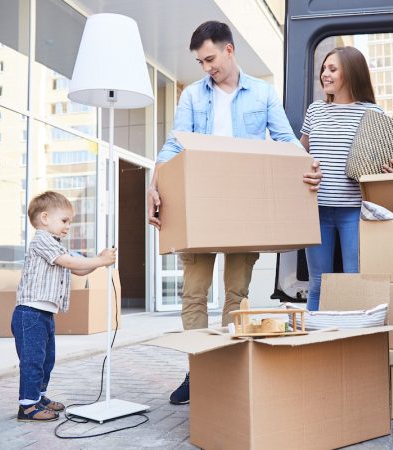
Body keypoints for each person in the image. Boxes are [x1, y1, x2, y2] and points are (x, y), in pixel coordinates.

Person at [146, 21, 321, 405]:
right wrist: (155, 183)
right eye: (199, 61)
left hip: (244, 203)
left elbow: (285, 140)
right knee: (193, 294)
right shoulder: (192, 95)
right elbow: (175, 144)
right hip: (199, 201)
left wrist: (306, 165)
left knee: (236, 293)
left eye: (210, 58)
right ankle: (198, 370)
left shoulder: (262, 92)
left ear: (229, 50)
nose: (206, 67)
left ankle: (225, 368)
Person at [300, 46, 393, 311]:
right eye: (324, 68)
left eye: (332, 69)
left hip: (354, 212)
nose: (325, 74)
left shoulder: (373, 114)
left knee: (355, 281)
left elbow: (388, 165)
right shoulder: (314, 111)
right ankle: (314, 346)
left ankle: (354, 344)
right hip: (316, 210)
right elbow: (299, 154)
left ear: (351, 72)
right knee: (318, 285)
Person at [12, 191, 116, 422]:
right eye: (65, 220)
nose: (68, 226)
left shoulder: (56, 245)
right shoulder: (41, 240)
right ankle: (27, 406)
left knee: (46, 359)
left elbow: (77, 268)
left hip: (44, 313)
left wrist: (98, 260)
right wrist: (100, 260)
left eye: (70, 221)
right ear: (45, 218)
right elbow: (68, 262)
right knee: (32, 360)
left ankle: (39, 396)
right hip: (29, 313)